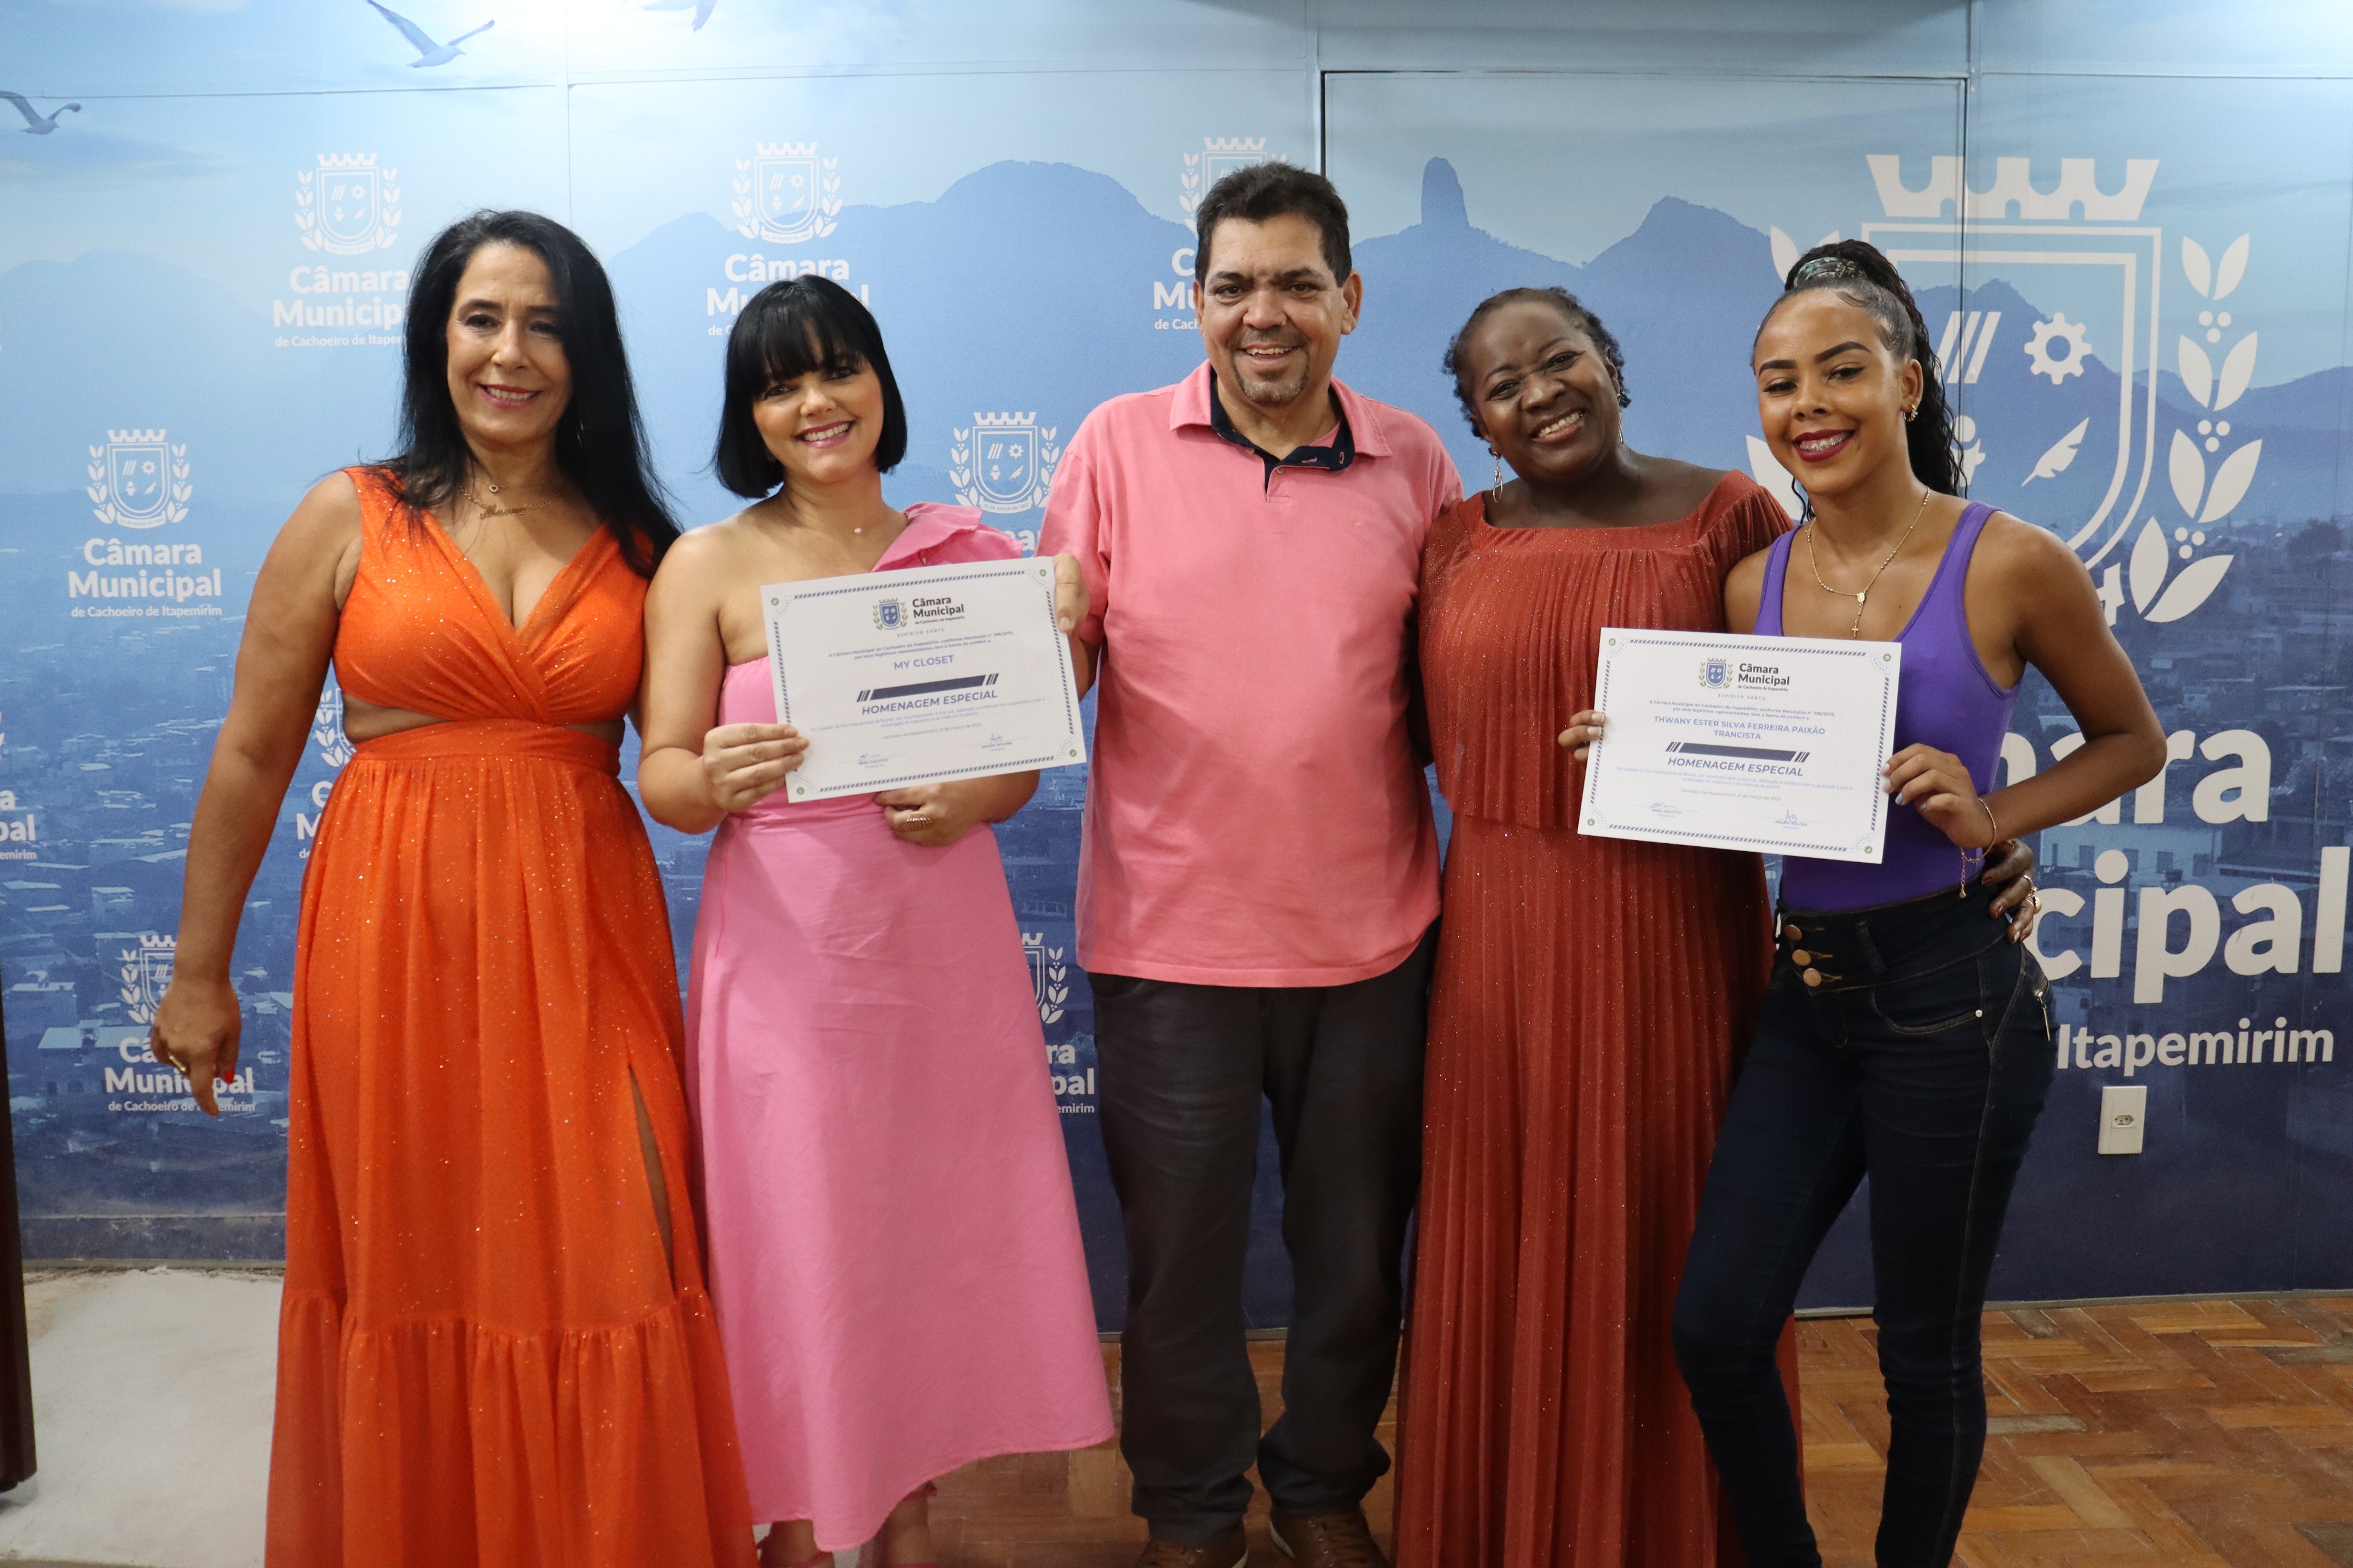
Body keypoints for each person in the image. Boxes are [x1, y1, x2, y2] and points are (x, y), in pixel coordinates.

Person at [146, 210, 756, 1567]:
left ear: (586, 356)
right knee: (414, 1267)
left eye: (546, 325)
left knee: (620, 1248)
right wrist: (197, 972)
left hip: (586, 942)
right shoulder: (349, 512)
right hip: (393, 942)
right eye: (483, 318)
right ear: (438, 337)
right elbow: (251, 753)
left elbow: (695, 744)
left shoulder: (645, 543)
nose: (510, 352)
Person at [1395, 287, 2039, 1568]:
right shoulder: (1450, 541)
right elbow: (1394, 731)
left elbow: (1846, 695)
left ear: (1611, 361)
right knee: (1516, 1240)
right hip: (1498, 951)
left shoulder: (1731, 521)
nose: (1540, 393)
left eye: (1561, 359)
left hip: (1675, 941)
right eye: (1502, 386)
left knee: (1683, 1267)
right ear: (1473, 422)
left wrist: (1998, 826)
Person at [1671, 241, 2166, 1568]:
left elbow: (2133, 740)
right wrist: (1635, 747)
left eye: (1839, 371)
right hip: (1806, 996)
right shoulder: (1752, 583)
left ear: (1906, 382)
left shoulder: (2010, 560)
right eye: (1779, 382)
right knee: (1716, 1326)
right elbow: (1737, 762)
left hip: (1957, 1001)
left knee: (1923, 1354)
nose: (1808, 405)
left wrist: (1997, 816)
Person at [636, 275, 1113, 1568]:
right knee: (796, 1233)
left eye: (837, 369)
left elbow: (1019, 764)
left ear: (881, 385)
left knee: (924, 1229)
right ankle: (794, 1522)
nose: (815, 402)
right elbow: (663, 774)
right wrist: (712, 777)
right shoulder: (706, 564)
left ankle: (909, 1507)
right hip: (784, 955)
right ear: (749, 415)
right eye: (780, 384)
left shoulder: (972, 555)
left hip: (939, 944)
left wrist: (970, 796)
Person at [1038, 162, 1458, 1568]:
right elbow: (1048, 674)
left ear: (1350, 297)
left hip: (1375, 941)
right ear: (1195, 298)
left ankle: (1324, 1486)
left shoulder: (1415, 461)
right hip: (1168, 942)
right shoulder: (1113, 443)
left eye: (1293, 284)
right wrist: (1029, 637)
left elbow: (1458, 681)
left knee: (1357, 1258)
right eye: (1232, 286)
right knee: (1178, 1267)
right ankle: (1193, 1511)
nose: (1261, 313)